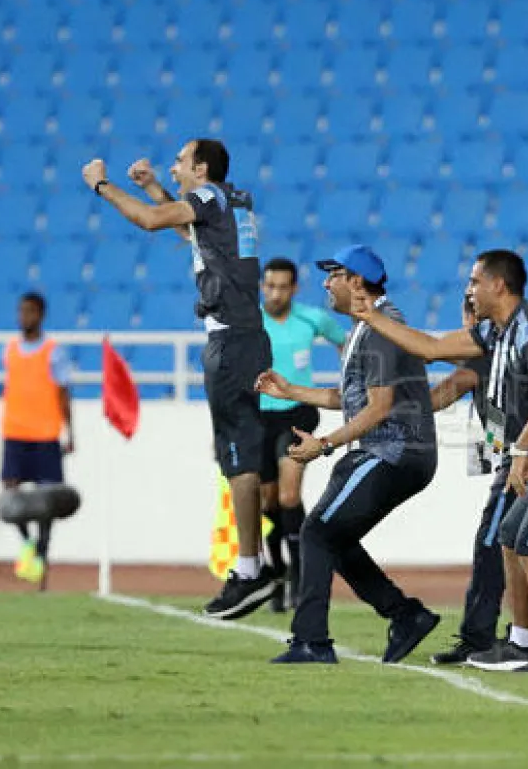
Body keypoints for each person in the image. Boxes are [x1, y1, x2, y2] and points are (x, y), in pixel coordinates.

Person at [352, 249, 528, 674]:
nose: (468, 290)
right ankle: (522, 642)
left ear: (498, 285)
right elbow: (429, 347)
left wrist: (520, 451)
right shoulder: (496, 335)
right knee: (511, 532)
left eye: (474, 281)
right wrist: (372, 317)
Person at [84, 142, 275, 619]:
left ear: (201, 169)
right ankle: (253, 565)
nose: (173, 166)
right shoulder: (232, 201)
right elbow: (193, 232)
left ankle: (250, 570)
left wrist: (102, 186)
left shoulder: (210, 199)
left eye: (180, 161)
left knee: (238, 459)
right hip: (242, 338)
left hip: (232, 341)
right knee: (238, 458)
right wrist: (153, 187)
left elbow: (154, 223)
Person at [253, 245, 441, 665]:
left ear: (357, 281)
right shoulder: (368, 327)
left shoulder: (379, 329)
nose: (325, 282)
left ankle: (312, 641)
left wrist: (324, 444)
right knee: (331, 538)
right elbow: (353, 398)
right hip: (394, 452)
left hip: (393, 451)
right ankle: (406, 615)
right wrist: (292, 391)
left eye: (334, 273)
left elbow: (379, 407)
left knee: (317, 530)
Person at [257, 258, 348, 612]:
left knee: (289, 493)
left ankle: (299, 574)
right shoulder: (252, 322)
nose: (275, 292)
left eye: (282, 286)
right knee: (268, 502)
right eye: (270, 286)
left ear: (294, 288)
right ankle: (276, 573)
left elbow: (346, 342)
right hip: (259, 416)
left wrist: (350, 382)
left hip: (297, 412)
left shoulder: (312, 318)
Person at [0, 292, 74, 586]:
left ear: (41, 315)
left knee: (47, 501)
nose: (24, 317)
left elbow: (64, 393)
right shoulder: (9, 350)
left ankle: (42, 554)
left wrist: (70, 431)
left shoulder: (54, 351)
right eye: (21, 311)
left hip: (45, 434)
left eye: (30, 312)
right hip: (15, 433)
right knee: (10, 494)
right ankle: (28, 543)